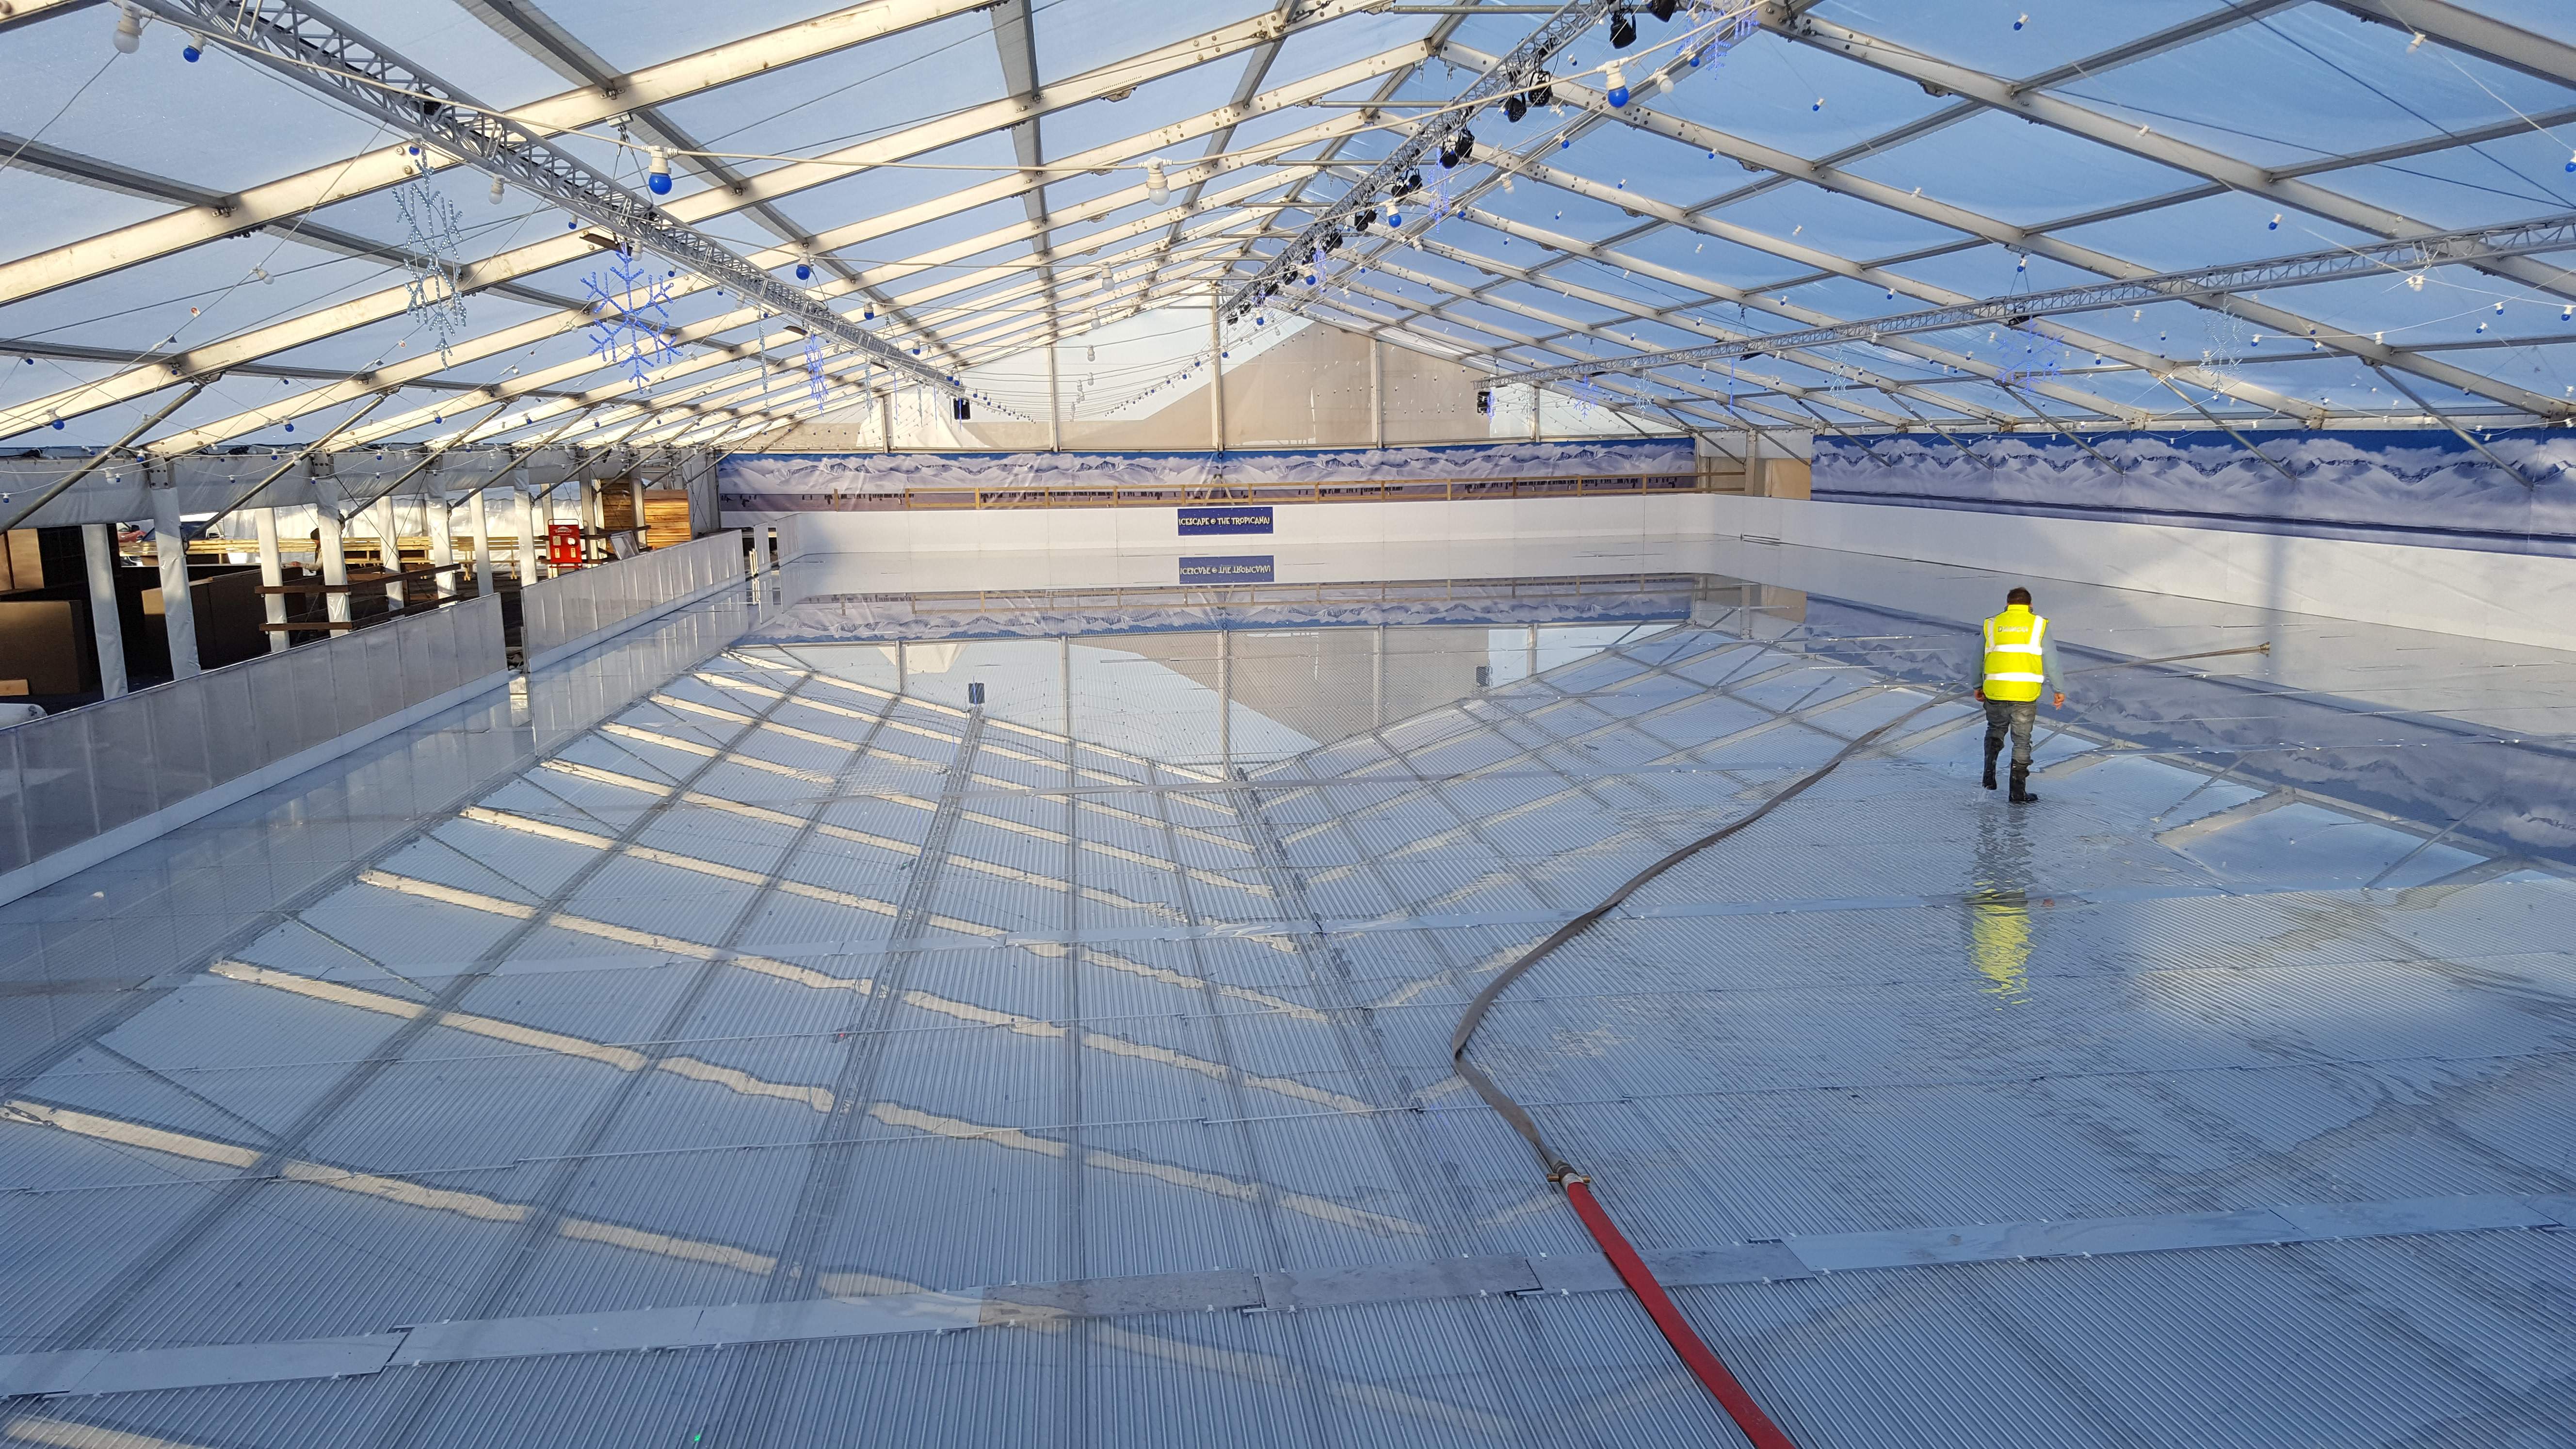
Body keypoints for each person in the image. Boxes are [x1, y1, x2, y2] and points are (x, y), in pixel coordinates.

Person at [1972, 586, 2064, 803]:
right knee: (2022, 740)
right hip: (2025, 693)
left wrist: (1977, 685)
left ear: (2008, 604)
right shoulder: (2038, 624)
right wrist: (2059, 689)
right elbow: (2052, 661)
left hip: (1995, 690)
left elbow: (1977, 658)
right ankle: (2017, 792)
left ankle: (1989, 777)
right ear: (2030, 605)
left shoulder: (1992, 624)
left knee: (1995, 729)